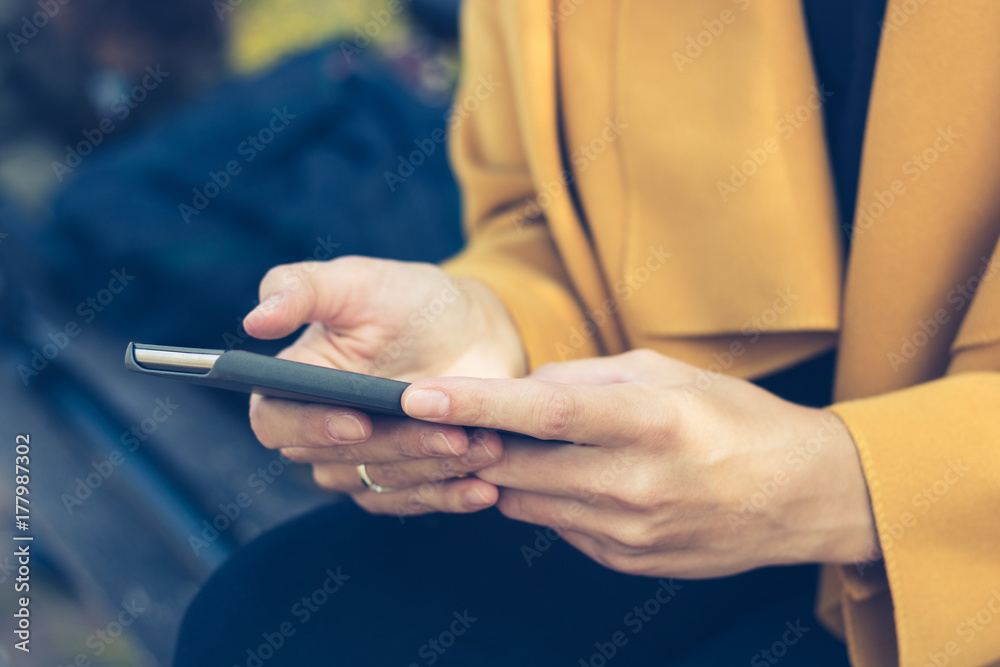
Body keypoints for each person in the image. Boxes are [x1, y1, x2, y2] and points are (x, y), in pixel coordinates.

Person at [174, 1, 1000, 666]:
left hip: (960, 501)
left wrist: (845, 484)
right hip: (699, 433)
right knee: (281, 628)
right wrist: (493, 322)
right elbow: (550, 208)